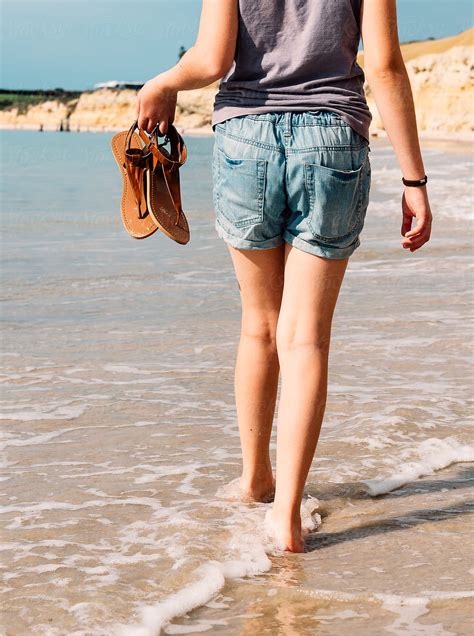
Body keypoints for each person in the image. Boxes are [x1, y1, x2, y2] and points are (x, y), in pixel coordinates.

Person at [136, 0, 433, 553]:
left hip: (245, 138)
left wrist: (162, 84)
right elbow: (387, 66)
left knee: (259, 327)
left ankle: (254, 480)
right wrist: (414, 180)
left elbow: (210, 58)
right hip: (333, 141)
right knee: (306, 339)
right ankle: (287, 516)